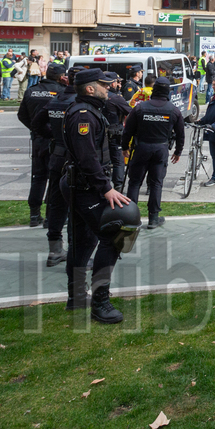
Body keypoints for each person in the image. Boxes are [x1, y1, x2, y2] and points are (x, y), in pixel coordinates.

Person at [61, 68, 132, 323]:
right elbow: (87, 157)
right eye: (103, 84)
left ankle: (77, 296)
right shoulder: (84, 115)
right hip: (86, 187)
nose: (108, 87)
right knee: (115, 235)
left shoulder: (88, 110)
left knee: (83, 241)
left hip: (82, 185)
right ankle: (99, 303)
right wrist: (106, 188)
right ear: (90, 89)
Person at [122, 77, 185, 229]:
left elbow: (128, 130)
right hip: (160, 149)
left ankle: (132, 217)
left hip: (141, 148)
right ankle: (153, 219)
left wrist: (125, 147)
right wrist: (178, 151)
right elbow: (181, 133)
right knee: (156, 183)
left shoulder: (140, 107)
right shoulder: (173, 110)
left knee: (135, 182)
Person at [29, 65, 73, 266]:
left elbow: (33, 122)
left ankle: (37, 216)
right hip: (70, 156)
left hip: (52, 148)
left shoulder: (50, 97)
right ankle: (71, 250)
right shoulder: (72, 100)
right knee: (76, 205)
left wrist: (50, 135)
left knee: (45, 186)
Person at [18, 65, 66, 228]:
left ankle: (34, 215)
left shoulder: (32, 90)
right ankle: (49, 217)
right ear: (61, 77)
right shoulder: (62, 91)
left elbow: (22, 115)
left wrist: (35, 129)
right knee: (55, 178)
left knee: (38, 177)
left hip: (38, 139)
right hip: (56, 140)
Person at [102, 72, 132, 190]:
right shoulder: (115, 98)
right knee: (118, 161)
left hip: (99, 135)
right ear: (112, 83)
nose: (119, 84)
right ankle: (118, 186)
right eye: (118, 82)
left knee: (102, 160)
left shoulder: (96, 96)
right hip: (114, 134)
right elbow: (130, 113)